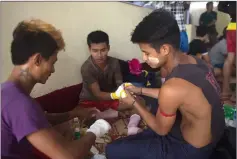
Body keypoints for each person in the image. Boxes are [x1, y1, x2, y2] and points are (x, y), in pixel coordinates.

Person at [105, 9, 225, 159]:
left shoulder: (172, 86)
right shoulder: (196, 61)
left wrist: (134, 102)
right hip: (210, 136)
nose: (143, 57)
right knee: (138, 134)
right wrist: (140, 90)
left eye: (146, 53)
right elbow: (179, 95)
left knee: (112, 150)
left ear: (164, 49)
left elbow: (161, 129)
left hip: (191, 150)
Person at [1, 19, 111, 159]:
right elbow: (68, 156)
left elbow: (39, 117)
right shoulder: (20, 103)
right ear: (38, 60)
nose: (52, 70)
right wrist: (97, 129)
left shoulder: (7, 92)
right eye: (52, 63)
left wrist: (73, 113)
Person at [79, 30, 132, 111]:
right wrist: (118, 95)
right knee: (89, 112)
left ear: (108, 48)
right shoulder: (86, 68)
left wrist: (124, 95)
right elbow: (98, 95)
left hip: (110, 98)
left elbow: (120, 85)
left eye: (103, 50)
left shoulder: (114, 62)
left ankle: (107, 113)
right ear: (89, 49)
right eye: (95, 51)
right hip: (90, 101)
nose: (99, 55)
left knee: (137, 102)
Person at [218, 1, 236, 103]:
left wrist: (232, 12)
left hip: (232, 26)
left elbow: (221, 6)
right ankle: (235, 95)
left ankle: (225, 91)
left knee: (229, 59)